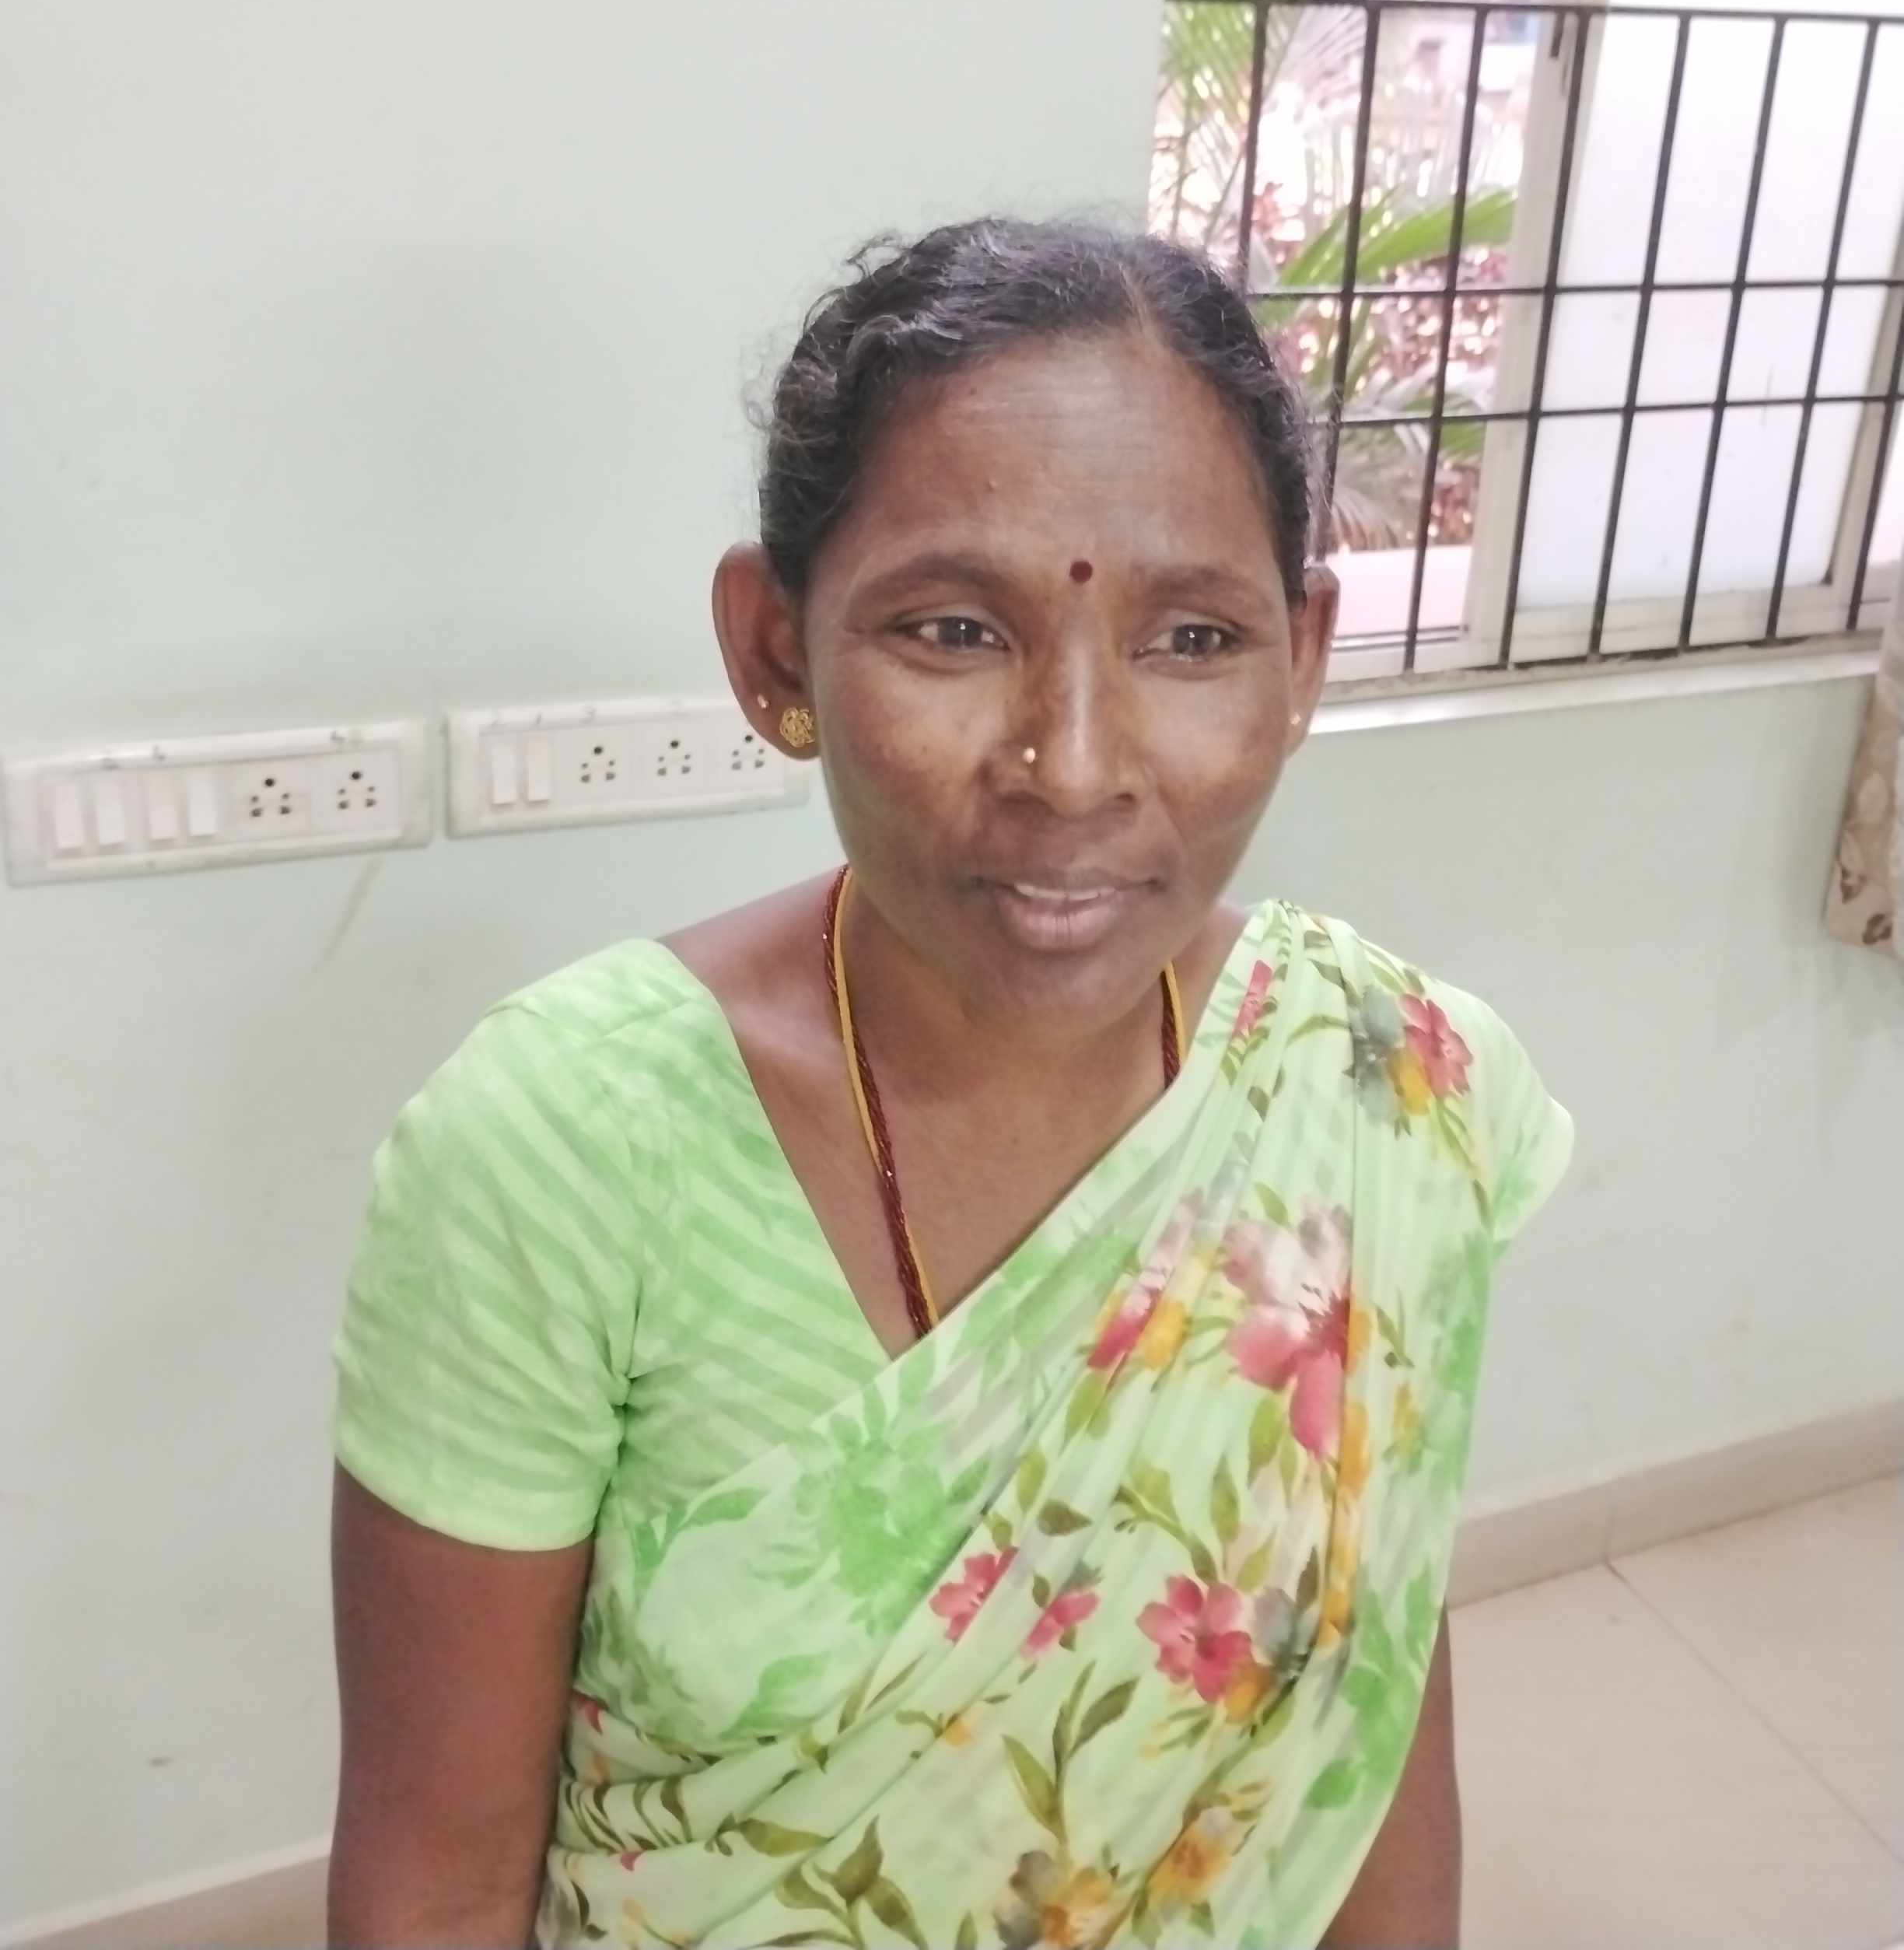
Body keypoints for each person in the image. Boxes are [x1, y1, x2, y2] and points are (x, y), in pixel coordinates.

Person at [328, 217, 1571, 1949]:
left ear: (1300, 660)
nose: (1073, 768)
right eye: (955, 629)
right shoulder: (560, 1152)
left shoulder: (1388, 1091)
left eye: (1192, 640)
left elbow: (1356, 1715)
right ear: (776, 651)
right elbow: (437, 1882)